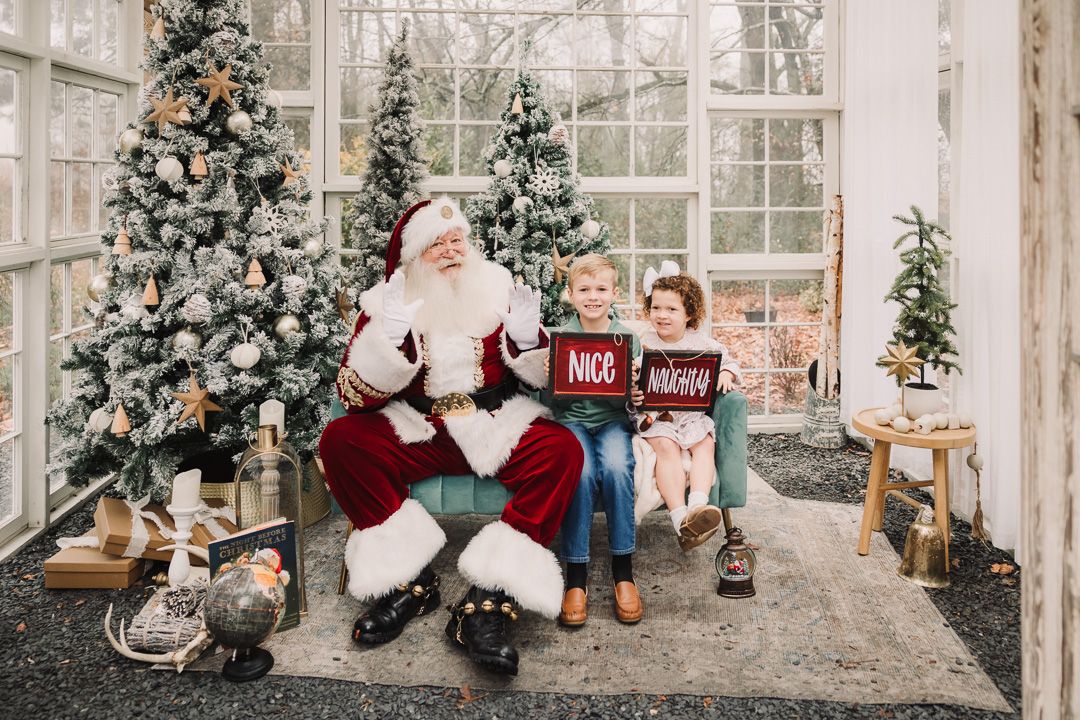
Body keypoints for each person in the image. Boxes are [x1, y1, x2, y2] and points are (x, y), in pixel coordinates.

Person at [319, 198, 584, 677]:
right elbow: (353, 395)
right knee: (341, 440)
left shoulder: (498, 290)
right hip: (420, 428)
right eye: (434, 244)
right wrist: (390, 341)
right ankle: (408, 583)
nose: (449, 251)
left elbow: (543, 377)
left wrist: (528, 340)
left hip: (494, 422)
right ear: (412, 257)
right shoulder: (386, 304)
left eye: (455, 240)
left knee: (562, 449)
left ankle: (488, 601)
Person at [543, 254, 645, 627]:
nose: (593, 296)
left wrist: (635, 390)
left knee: (618, 468)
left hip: (614, 423)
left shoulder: (628, 339)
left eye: (601, 289)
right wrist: (550, 378)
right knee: (582, 473)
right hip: (572, 424)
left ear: (614, 294)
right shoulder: (560, 338)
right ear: (570, 294)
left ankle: (623, 570)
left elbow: (637, 399)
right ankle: (576, 575)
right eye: (584, 289)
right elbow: (552, 401)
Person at [635, 262, 742, 551]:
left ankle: (698, 507)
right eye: (656, 308)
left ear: (688, 314)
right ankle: (680, 520)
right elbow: (631, 379)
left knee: (705, 444)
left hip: (690, 413)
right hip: (656, 415)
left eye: (671, 310)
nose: (662, 315)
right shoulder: (643, 342)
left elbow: (729, 361)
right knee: (667, 449)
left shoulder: (700, 342)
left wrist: (725, 373)